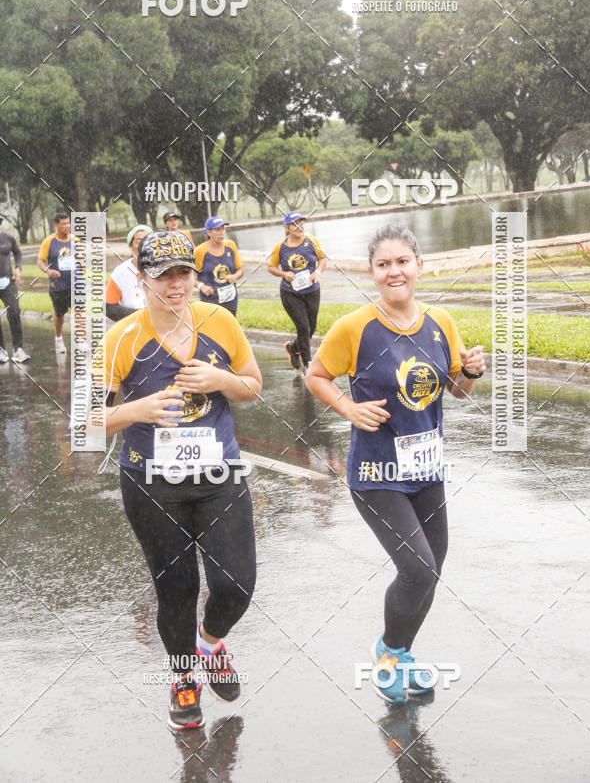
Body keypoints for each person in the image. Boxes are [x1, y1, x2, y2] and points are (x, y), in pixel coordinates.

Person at [306, 225, 485, 702]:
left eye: (402, 261)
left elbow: (457, 390)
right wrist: (348, 408)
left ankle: (401, 653)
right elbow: (316, 375)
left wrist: (470, 372)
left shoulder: (441, 322)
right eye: (383, 264)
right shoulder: (355, 328)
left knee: (432, 568)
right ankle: (387, 653)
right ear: (372, 272)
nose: (394, 272)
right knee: (418, 569)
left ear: (419, 266)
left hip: (426, 470)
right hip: (377, 474)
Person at [92, 230, 261, 731]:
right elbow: (84, 422)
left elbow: (252, 385)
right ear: (141, 279)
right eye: (162, 275)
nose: (175, 284)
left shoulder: (220, 321)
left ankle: (210, 644)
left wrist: (222, 380)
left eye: (183, 272)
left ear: (194, 275)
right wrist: (137, 409)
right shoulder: (121, 339)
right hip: (152, 483)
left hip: (219, 474)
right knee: (177, 588)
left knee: (236, 584)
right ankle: (184, 677)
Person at [268, 211, 326, 373]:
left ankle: (294, 348)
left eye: (301, 222)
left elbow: (322, 259)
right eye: (295, 224)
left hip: (312, 290)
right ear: (287, 228)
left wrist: (318, 272)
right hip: (290, 293)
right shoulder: (280, 247)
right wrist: (284, 274)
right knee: (303, 327)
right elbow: (271, 267)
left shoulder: (312, 241)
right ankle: (308, 364)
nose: (299, 226)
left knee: (311, 327)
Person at [37, 212, 80, 353]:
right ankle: (59, 339)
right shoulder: (49, 241)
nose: (67, 226)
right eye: (63, 224)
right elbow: (40, 261)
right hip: (58, 285)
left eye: (68, 223)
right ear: (56, 225)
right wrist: (49, 271)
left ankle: (80, 340)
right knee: (60, 315)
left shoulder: (75, 240)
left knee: (79, 311)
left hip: (75, 283)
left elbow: (80, 260)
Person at [194, 216, 244, 316]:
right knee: (212, 325)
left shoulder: (231, 246)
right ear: (209, 233)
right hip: (210, 300)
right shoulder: (199, 251)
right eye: (217, 230)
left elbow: (240, 269)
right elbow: (190, 277)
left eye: (223, 229)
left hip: (230, 299)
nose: (221, 232)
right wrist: (201, 286)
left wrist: (235, 276)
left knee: (229, 324)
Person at [105, 224, 152, 321]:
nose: (144, 245)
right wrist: (141, 316)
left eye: (149, 240)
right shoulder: (120, 273)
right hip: (133, 326)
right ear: (130, 246)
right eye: (139, 241)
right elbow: (109, 308)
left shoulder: (164, 268)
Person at [0, 216, 29, 363]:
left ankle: (18, 350)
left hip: (7, 282)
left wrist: (18, 268)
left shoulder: (9, 238)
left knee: (14, 312)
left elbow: (17, 253)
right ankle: (1, 350)